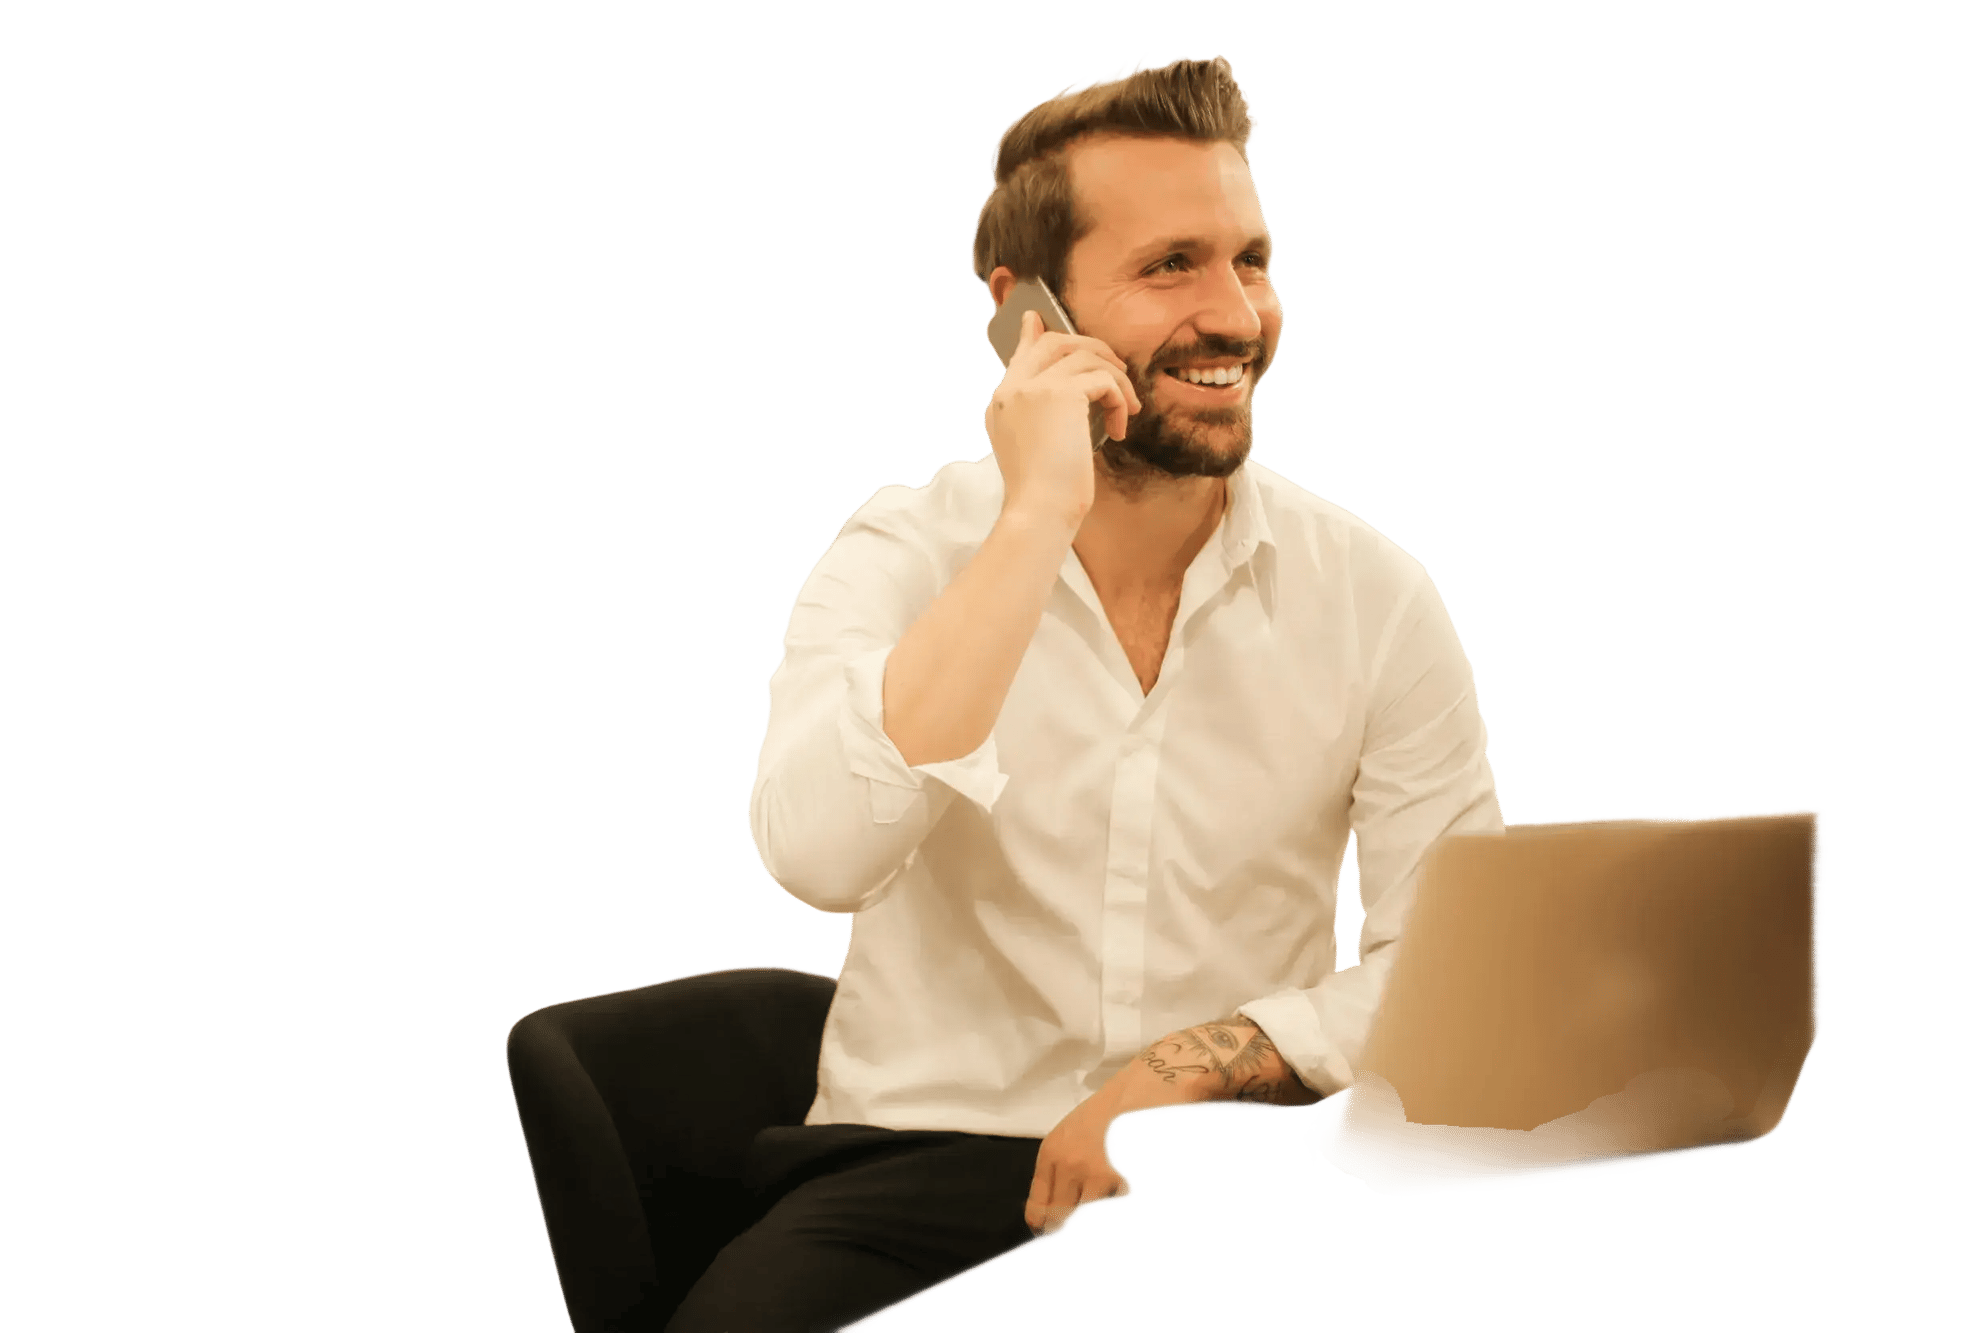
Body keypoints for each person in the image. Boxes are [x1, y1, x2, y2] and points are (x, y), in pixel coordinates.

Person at [515, 52, 1506, 1333]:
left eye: (1249, 260)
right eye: (1169, 267)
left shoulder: (1373, 594)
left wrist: (1177, 1072)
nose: (1233, 313)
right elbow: (818, 855)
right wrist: (1034, 517)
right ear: (1029, 309)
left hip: (1218, 1166)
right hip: (920, 1160)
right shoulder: (903, 549)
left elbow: (1448, 968)